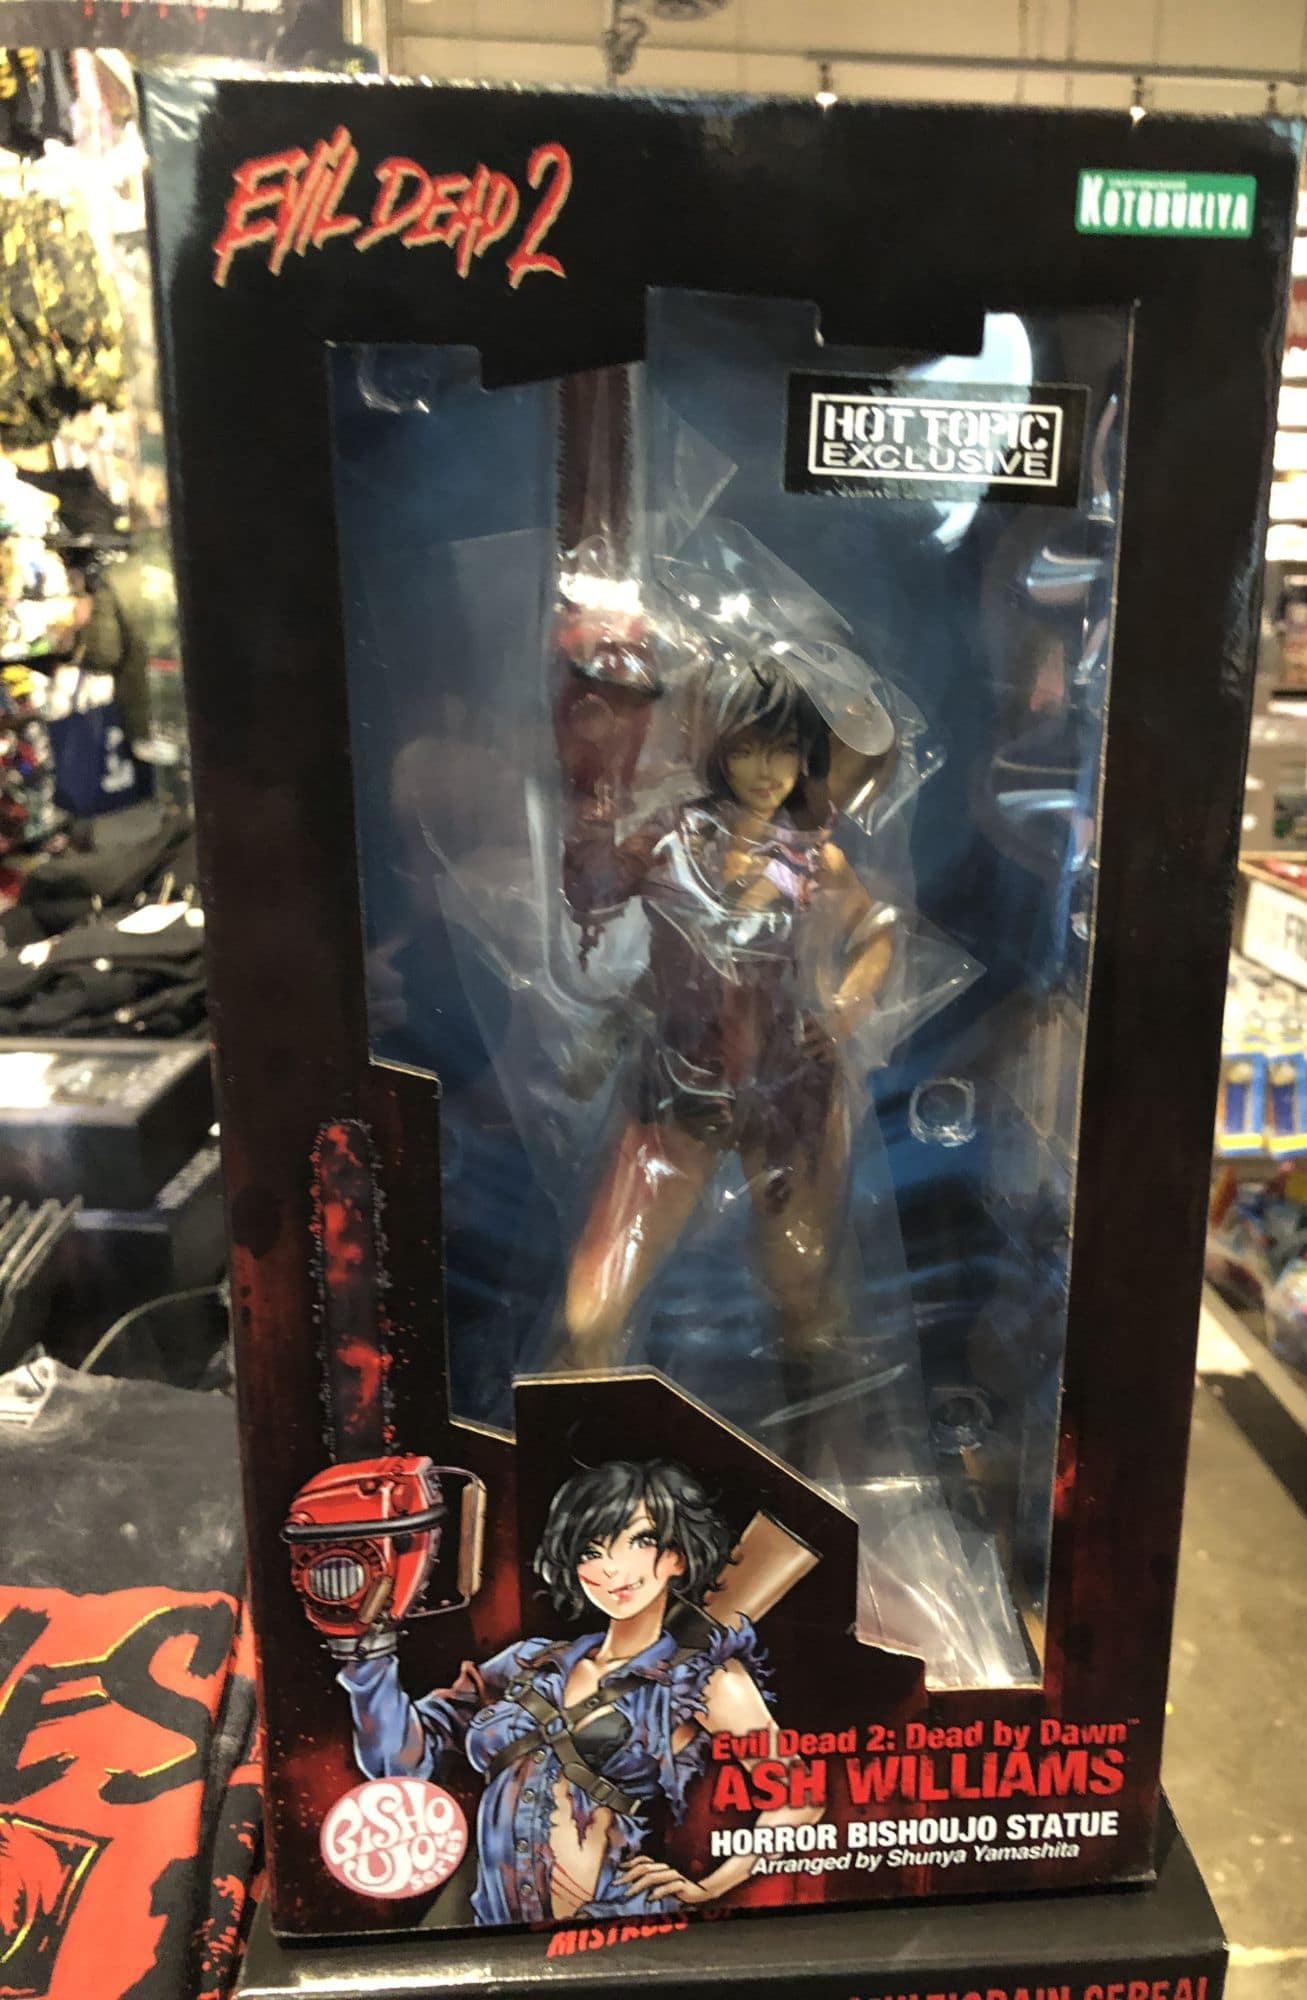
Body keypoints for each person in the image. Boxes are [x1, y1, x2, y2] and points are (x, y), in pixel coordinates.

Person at [559, 646, 897, 1379]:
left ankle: (816, 1427)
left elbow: (877, 934)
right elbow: (592, 893)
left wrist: (842, 1013)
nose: (766, 770)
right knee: (592, 1311)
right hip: (680, 1085)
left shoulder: (812, 858)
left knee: (804, 1303)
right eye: (746, 749)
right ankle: (589, 1415)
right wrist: (594, 803)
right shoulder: (671, 836)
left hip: (786, 1091)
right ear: (718, 749)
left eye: (783, 749)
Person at [337, 1457, 818, 1923]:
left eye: (639, 1541)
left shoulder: (703, 1679)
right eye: (592, 1550)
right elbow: (398, 1762)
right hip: (494, 1927)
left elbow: (799, 1793)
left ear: (676, 1556)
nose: (611, 1568)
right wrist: (369, 1655)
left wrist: (710, 1886)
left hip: (612, 1927)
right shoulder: (528, 1661)